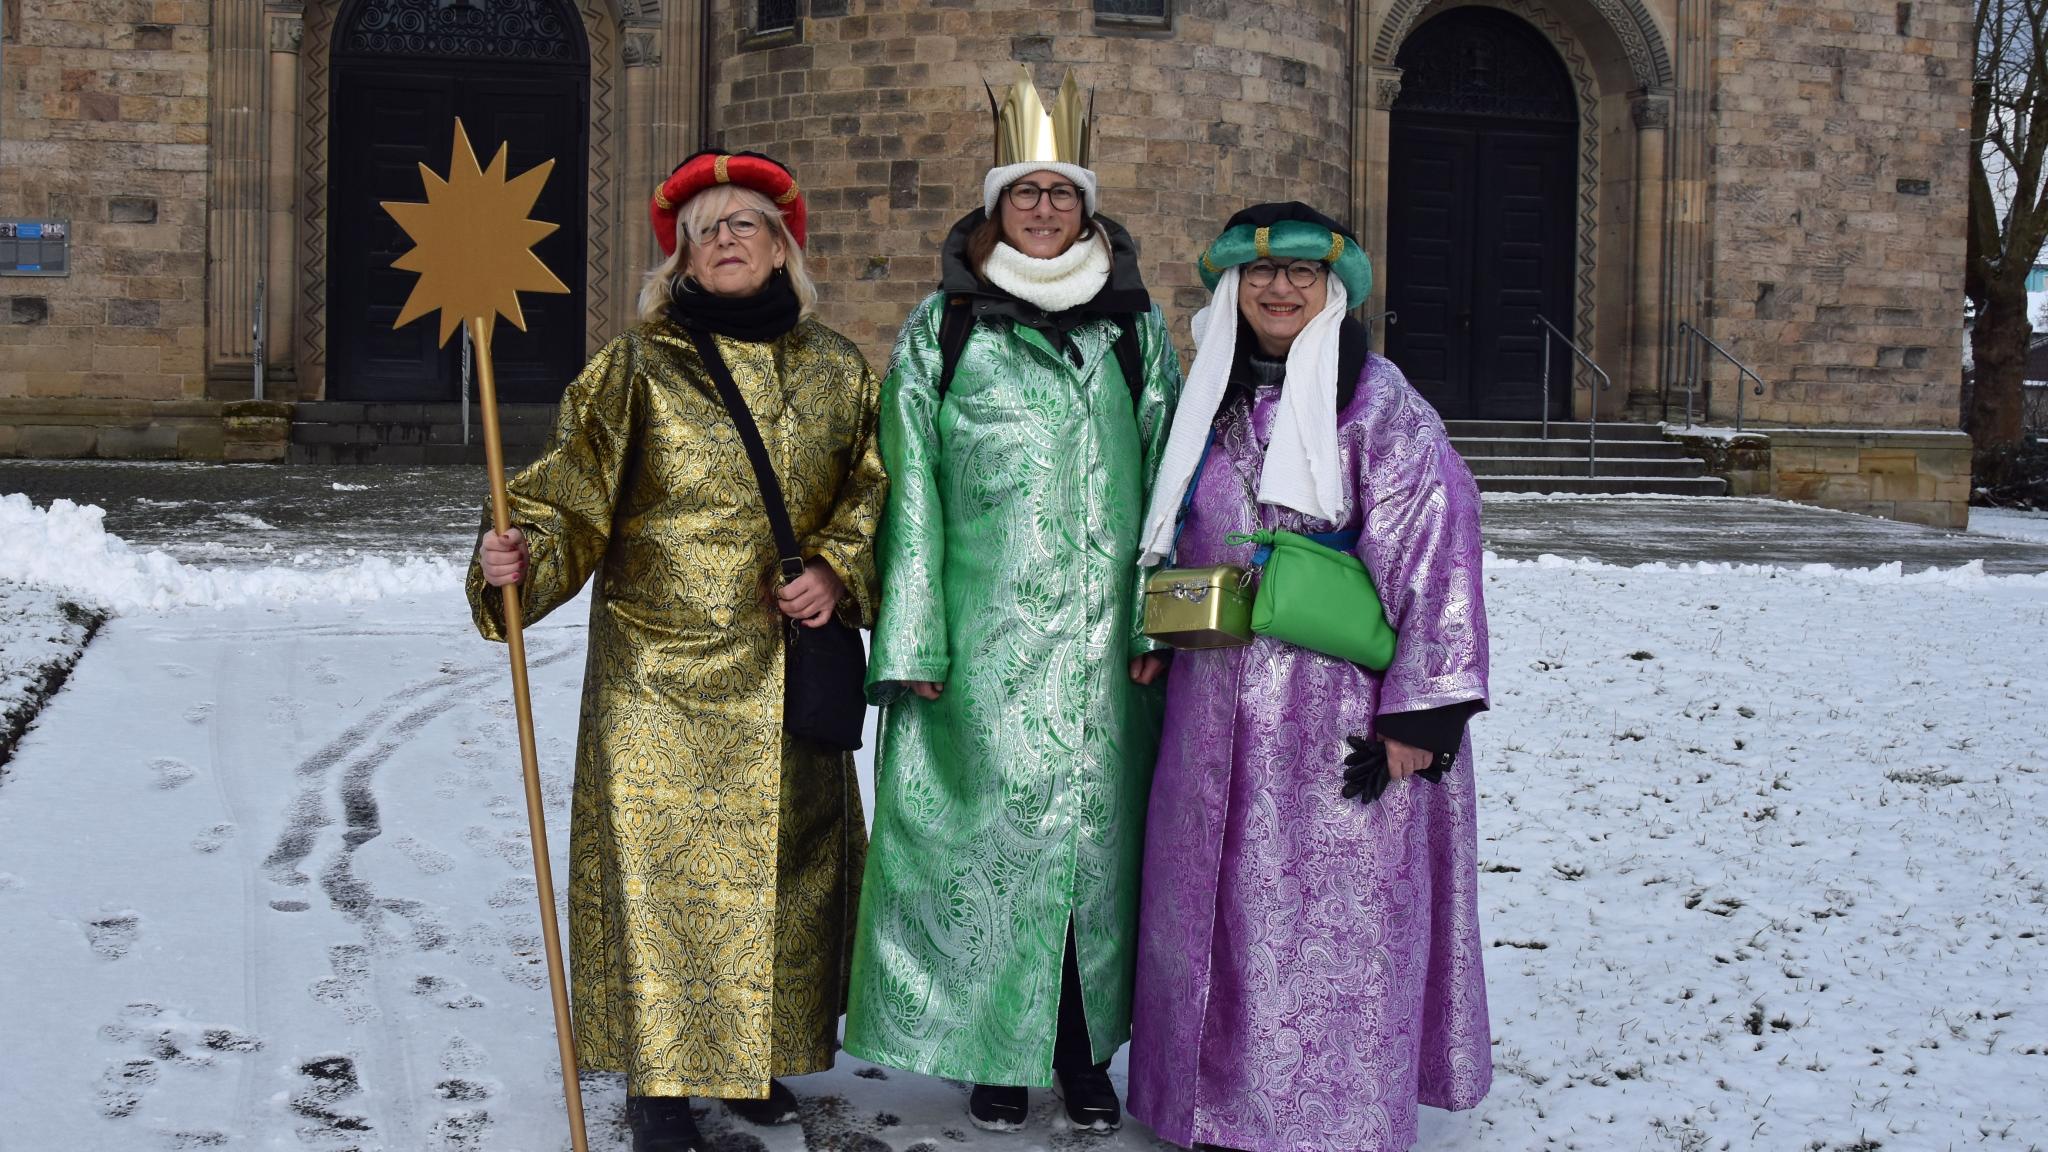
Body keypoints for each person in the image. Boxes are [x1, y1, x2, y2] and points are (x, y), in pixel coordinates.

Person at [467, 151, 886, 1152]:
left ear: (783, 244)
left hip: (784, 663)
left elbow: (873, 491)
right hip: (656, 675)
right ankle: (660, 1082)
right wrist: (516, 555)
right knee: (668, 883)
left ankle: (746, 1062)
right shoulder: (635, 366)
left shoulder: (836, 368)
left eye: (746, 223)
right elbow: (567, 492)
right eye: (707, 228)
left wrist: (832, 568)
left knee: (785, 873)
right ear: (681, 259)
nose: (728, 238)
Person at [844, 70, 1182, 1136]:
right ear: (993, 209)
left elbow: (1173, 486)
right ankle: (993, 1050)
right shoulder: (944, 333)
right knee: (985, 855)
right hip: (984, 656)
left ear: (1089, 209)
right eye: (1023, 193)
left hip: (1103, 661)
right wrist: (911, 640)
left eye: (1061, 193)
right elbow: (908, 496)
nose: (1043, 209)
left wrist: (1153, 625)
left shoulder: (1133, 330)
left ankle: (1081, 1056)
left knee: (1095, 855)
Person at [1124, 202, 1493, 1152]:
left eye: (1301, 275)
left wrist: (1424, 717)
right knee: (1214, 910)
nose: (1279, 290)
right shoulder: (1205, 402)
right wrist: (1154, 629)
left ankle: (1322, 1117)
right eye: (1259, 275)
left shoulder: (1380, 406)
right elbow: (1169, 528)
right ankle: (1206, 1107)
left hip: (1336, 716)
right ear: (1229, 289)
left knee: (1326, 917)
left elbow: (1437, 553)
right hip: (1209, 709)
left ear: (1336, 292)